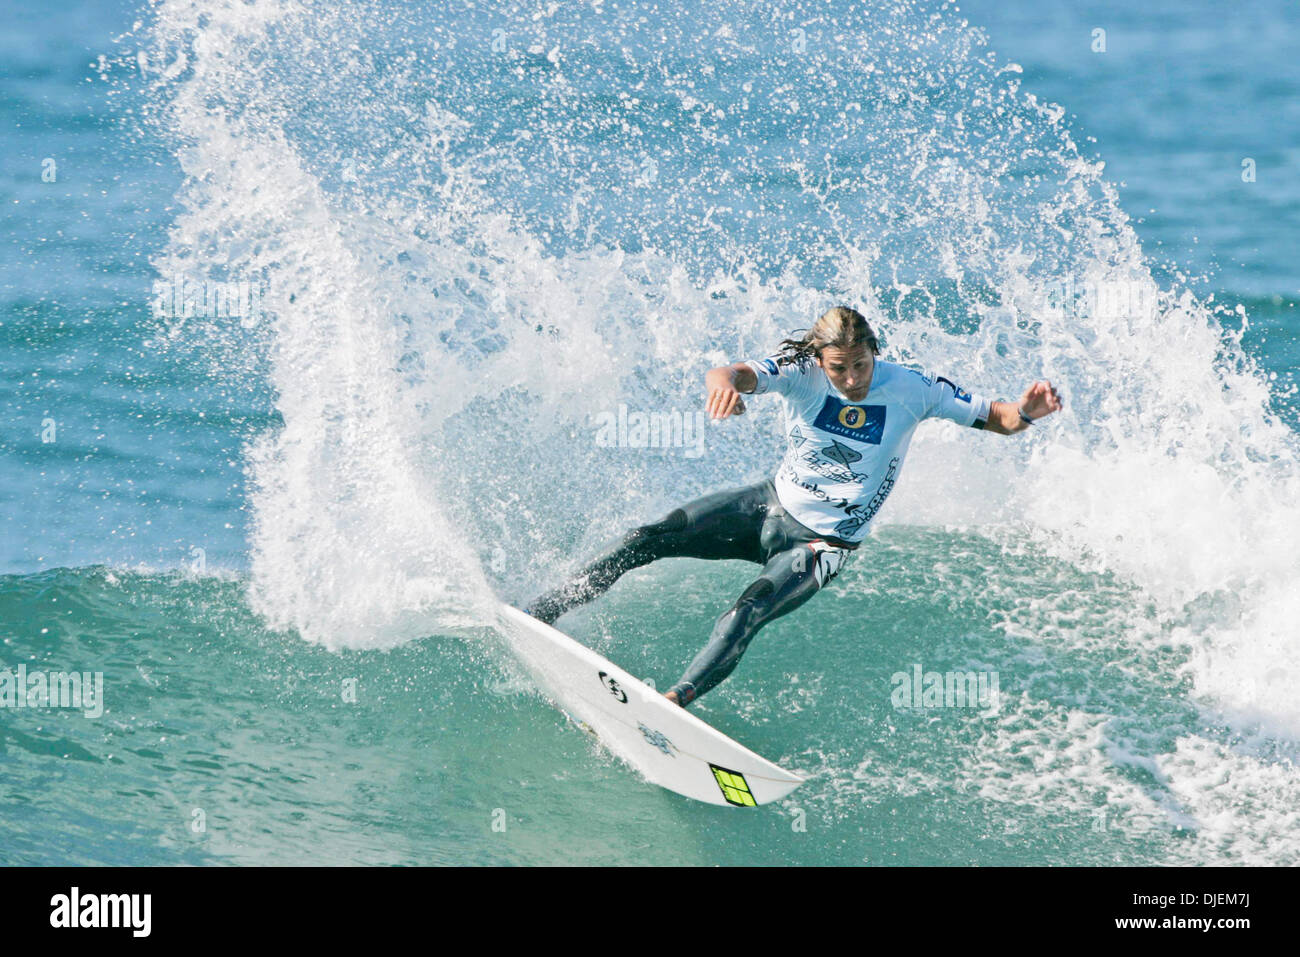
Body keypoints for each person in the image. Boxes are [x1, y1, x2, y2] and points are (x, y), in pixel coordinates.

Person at [524, 305, 1063, 707]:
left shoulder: (913, 387)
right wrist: (724, 389)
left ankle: (674, 704)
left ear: (874, 350)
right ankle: (546, 611)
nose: (852, 379)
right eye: (839, 369)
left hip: (822, 544)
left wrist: (1028, 411)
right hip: (767, 506)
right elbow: (729, 372)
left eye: (861, 365)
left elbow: (999, 417)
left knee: (746, 612)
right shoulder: (801, 371)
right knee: (648, 537)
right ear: (819, 360)